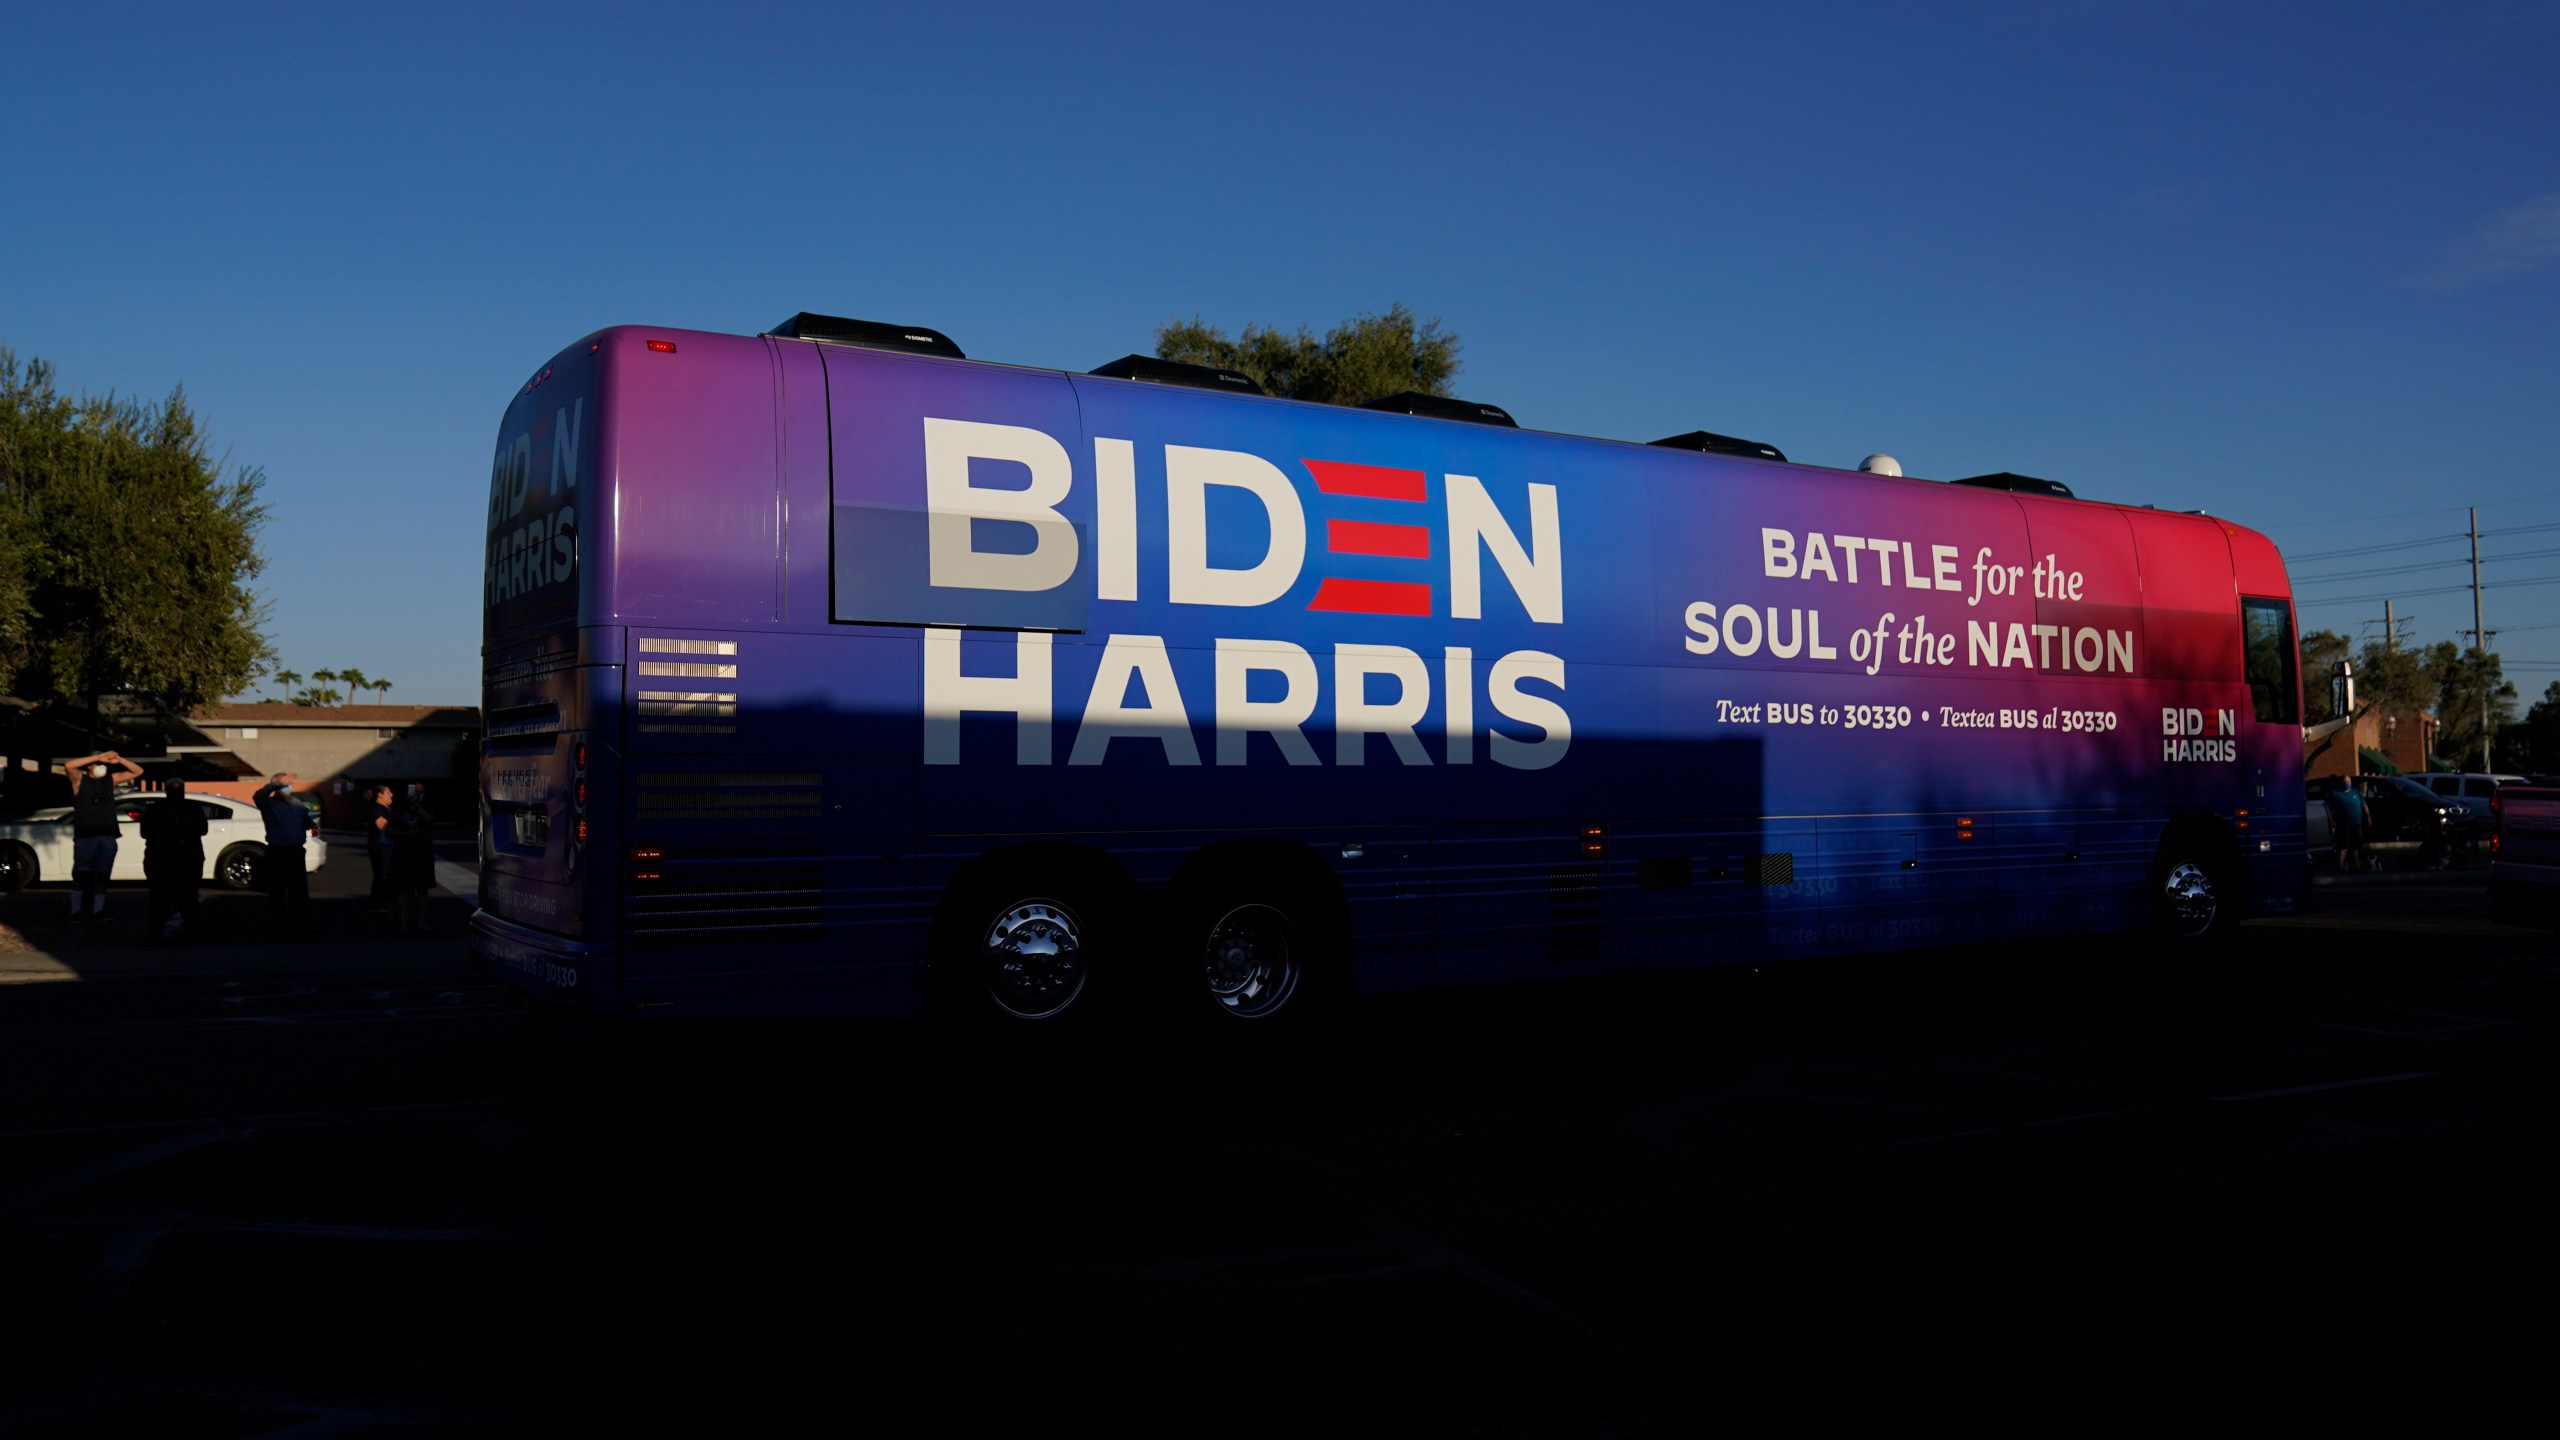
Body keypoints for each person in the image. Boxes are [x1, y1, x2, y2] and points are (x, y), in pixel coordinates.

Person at [60, 749, 142, 920]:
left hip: (107, 835)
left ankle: (98, 910)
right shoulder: (80, 780)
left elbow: (138, 771)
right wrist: (98, 757)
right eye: (98, 764)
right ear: (89, 766)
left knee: (103, 875)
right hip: (86, 836)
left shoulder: (109, 780)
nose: (101, 766)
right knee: (81, 874)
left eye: (103, 764)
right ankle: (75, 912)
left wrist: (118, 759)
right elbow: (69, 765)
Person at [139, 779, 209, 945]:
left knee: (164, 901)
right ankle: (190, 935)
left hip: (172, 860)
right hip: (172, 860)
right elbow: (201, 829)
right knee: (182, 900)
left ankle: (158, 935)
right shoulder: (191, 808)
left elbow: (146, 832)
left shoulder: (156, 809)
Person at [252, 772, 314, 936]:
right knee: (278, 891)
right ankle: (279, 926)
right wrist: (275, 784)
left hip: (297, 852)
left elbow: (306, 820)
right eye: (285, 783)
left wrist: (310, 823)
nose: (289, 786)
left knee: (299, 891)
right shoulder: (269, 803)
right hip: (279, 851)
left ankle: (301, 924)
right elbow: (258, 796)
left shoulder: (297, 804)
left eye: (289, 783)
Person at [389, 782, 437, 935]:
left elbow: (429, 820)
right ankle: (402, 921)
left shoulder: (427, 805)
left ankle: (421, 921)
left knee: (423, 888)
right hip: (403, 852)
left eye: (419, 792)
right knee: (402, 888)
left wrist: (417, 806)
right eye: (414, 792)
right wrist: (403, 834)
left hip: (423, 852)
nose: (416, 794)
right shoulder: (399, 808)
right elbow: (389, 830)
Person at [366, 784, 395, 914]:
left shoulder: (387, 809)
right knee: (380, 875)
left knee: (387, 876)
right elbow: (381, 826)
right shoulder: (376, 809)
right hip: (379, 847)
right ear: (380, 795)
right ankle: (376, 904)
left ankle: (385, 902)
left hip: (388, 846)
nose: (391, 795)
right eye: (388, 792)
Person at [2331, 777, 2369, 873]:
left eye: (2348, 781)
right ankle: (2340, 867)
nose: (2346, 783)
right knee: (2343, 847)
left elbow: (2364, 805)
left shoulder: (2356, 793)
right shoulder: (2335, 794)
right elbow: (2329, 808)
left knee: (2356, 846)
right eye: (2345, 781)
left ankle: (2357, 866)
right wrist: (2332, 819)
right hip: (2343, 824)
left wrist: (2368, 817)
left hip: (2356, 823)